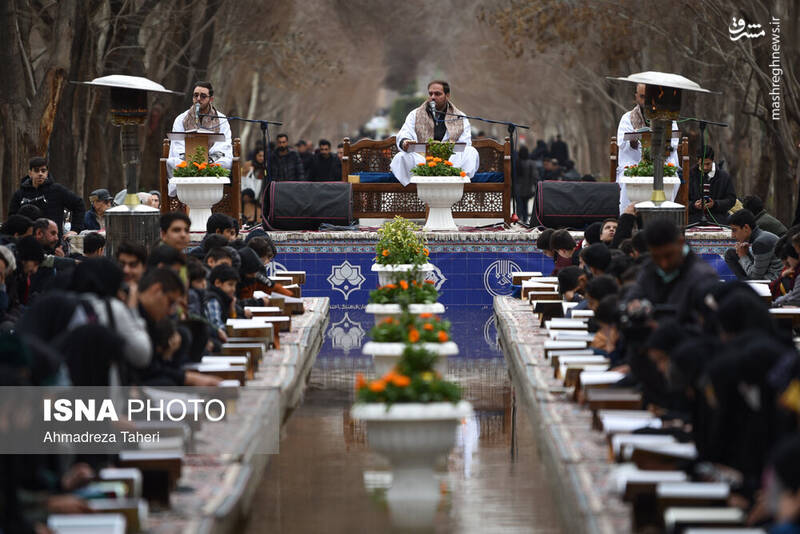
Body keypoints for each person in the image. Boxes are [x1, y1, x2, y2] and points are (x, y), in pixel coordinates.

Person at [626, 218, 719, 325]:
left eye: (668, 255)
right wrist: (633, 306)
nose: (664, 264)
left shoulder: (703, 277)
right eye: (656, 257)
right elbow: (632, 298)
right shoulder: (649, 269)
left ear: (681, 242)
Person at [390, 80, 479, 186]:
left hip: (451, 161)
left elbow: (465, 144)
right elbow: (405, 133)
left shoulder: (460, 117)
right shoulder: (415, 114)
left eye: (437, 94)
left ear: (447, 95)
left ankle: (454, 183)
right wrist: (405, 142)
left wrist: (445, 154)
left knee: (471, 152)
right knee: (401, 157)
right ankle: (415, 187)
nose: (433, 97)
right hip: (422, 160)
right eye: (430, 94)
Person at [616, 83, 679, 214]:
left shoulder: (668, 118)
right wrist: (633, 141)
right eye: (642, 96)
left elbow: (673, 143)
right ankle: (628, 218)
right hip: (633, 164)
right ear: (636, 97)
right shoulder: (627, 118)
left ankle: (664, 218)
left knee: (671, 180)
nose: (646, 100)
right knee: (628, 182)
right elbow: (622, 143)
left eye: (649, 96)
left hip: (662, 163)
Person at [166, 81, 233, 196]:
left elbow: (224, 145)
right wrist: (192, 161)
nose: (198, 99)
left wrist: (207, 161)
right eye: (195, 95)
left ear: (211, 99)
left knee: (225, 163)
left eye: (203, 96)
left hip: (212, 161)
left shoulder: (221, 119)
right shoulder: (181, 119)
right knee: (172, 162)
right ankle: (184, 194)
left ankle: (213, 192)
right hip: (187, 160)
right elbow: (177, 145)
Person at [8, 156, 85, 234]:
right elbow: (12, 218)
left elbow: (79, 204)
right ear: (30, 173)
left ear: (47, 172)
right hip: (27, 239)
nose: (40, 174)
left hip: (53, 239)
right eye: (36, 170)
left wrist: (75, 229)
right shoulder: (20, 194)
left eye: (43, 171)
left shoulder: (57, 190)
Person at [724, 208, 783, 281]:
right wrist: (746, 254)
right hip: (764, 275)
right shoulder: (759, 237)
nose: (732, 235)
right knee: (730, 253)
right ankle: (744, 284)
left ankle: (745, 285)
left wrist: (743, 256)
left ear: (746, 228)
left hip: (773, 280)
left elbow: (754, 277)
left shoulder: (761, 242)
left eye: (734, 230)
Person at [688, 146, 737, 225]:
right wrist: (693, 205)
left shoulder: (724, 177)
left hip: (718, 221)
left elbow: (731, 200)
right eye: (702, 164)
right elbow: (681, 200)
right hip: (694, 221)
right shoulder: (690, 175)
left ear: (713, 160)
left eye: (708, 164)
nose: (705, 167)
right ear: (697, 161)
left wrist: (715, 204)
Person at [514, 145, 538, 224]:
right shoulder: (531, 163)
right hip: (528, 187)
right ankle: (525, 219)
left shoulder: (517, 162)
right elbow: (535, 176)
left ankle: (519, 219)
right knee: (525, 204)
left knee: (519, 205)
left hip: (518, 187)